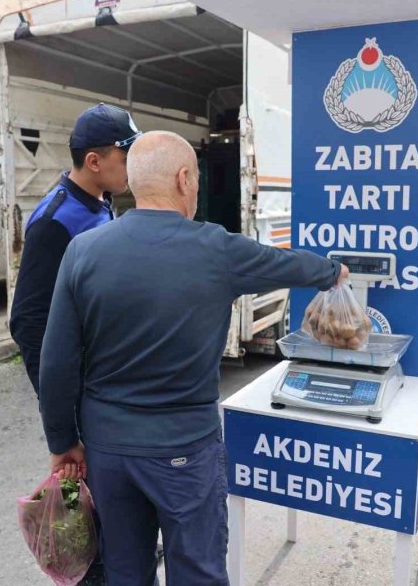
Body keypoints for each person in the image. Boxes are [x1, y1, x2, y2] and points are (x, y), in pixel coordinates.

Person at [38, 131, 349, 586]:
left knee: (124, 571)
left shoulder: (83, 251)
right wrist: (333, 271)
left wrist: (62, 441)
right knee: (197, 572)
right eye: (197, 179)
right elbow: (286, 264)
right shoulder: (216, 249)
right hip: (184, 450)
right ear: (184, 179)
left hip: (108, 451)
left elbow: (56, 362)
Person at [9, 102, 141, 586]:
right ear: (95, 161)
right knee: (89, 513)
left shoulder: (100, 203)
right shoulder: (55, 221)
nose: (131, 165)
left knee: (114, 504)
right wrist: (62, 426)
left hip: (106, 385)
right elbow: (27, 322)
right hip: (81, 395)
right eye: (125, 155)